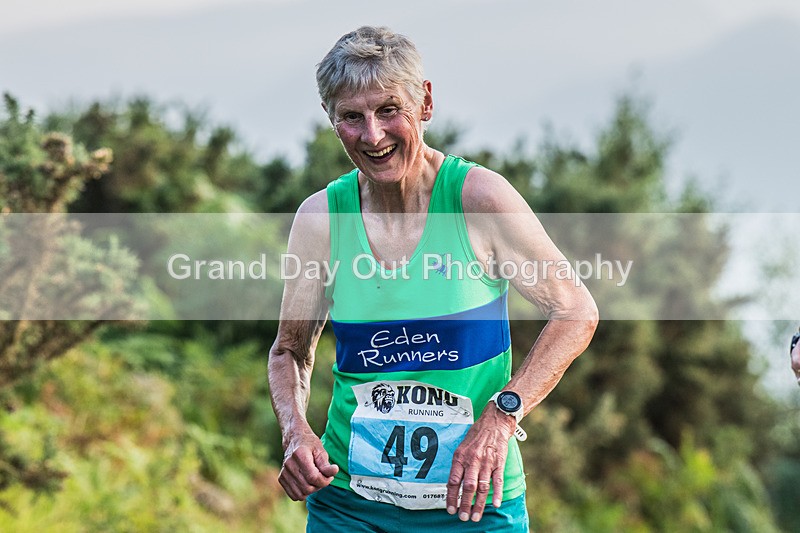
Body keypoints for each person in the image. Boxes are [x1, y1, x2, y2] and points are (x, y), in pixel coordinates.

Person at [268, 26, 599, 532]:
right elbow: (290, 350)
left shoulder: (479, 201)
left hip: (473, 505)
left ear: (425, 102)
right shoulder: (321, 220)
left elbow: (575, 309)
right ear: (332, 121)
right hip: (349, 508)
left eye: (388, 111)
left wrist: (502, 415)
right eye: (352, 118)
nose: (373, 136)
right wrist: (295, 432)